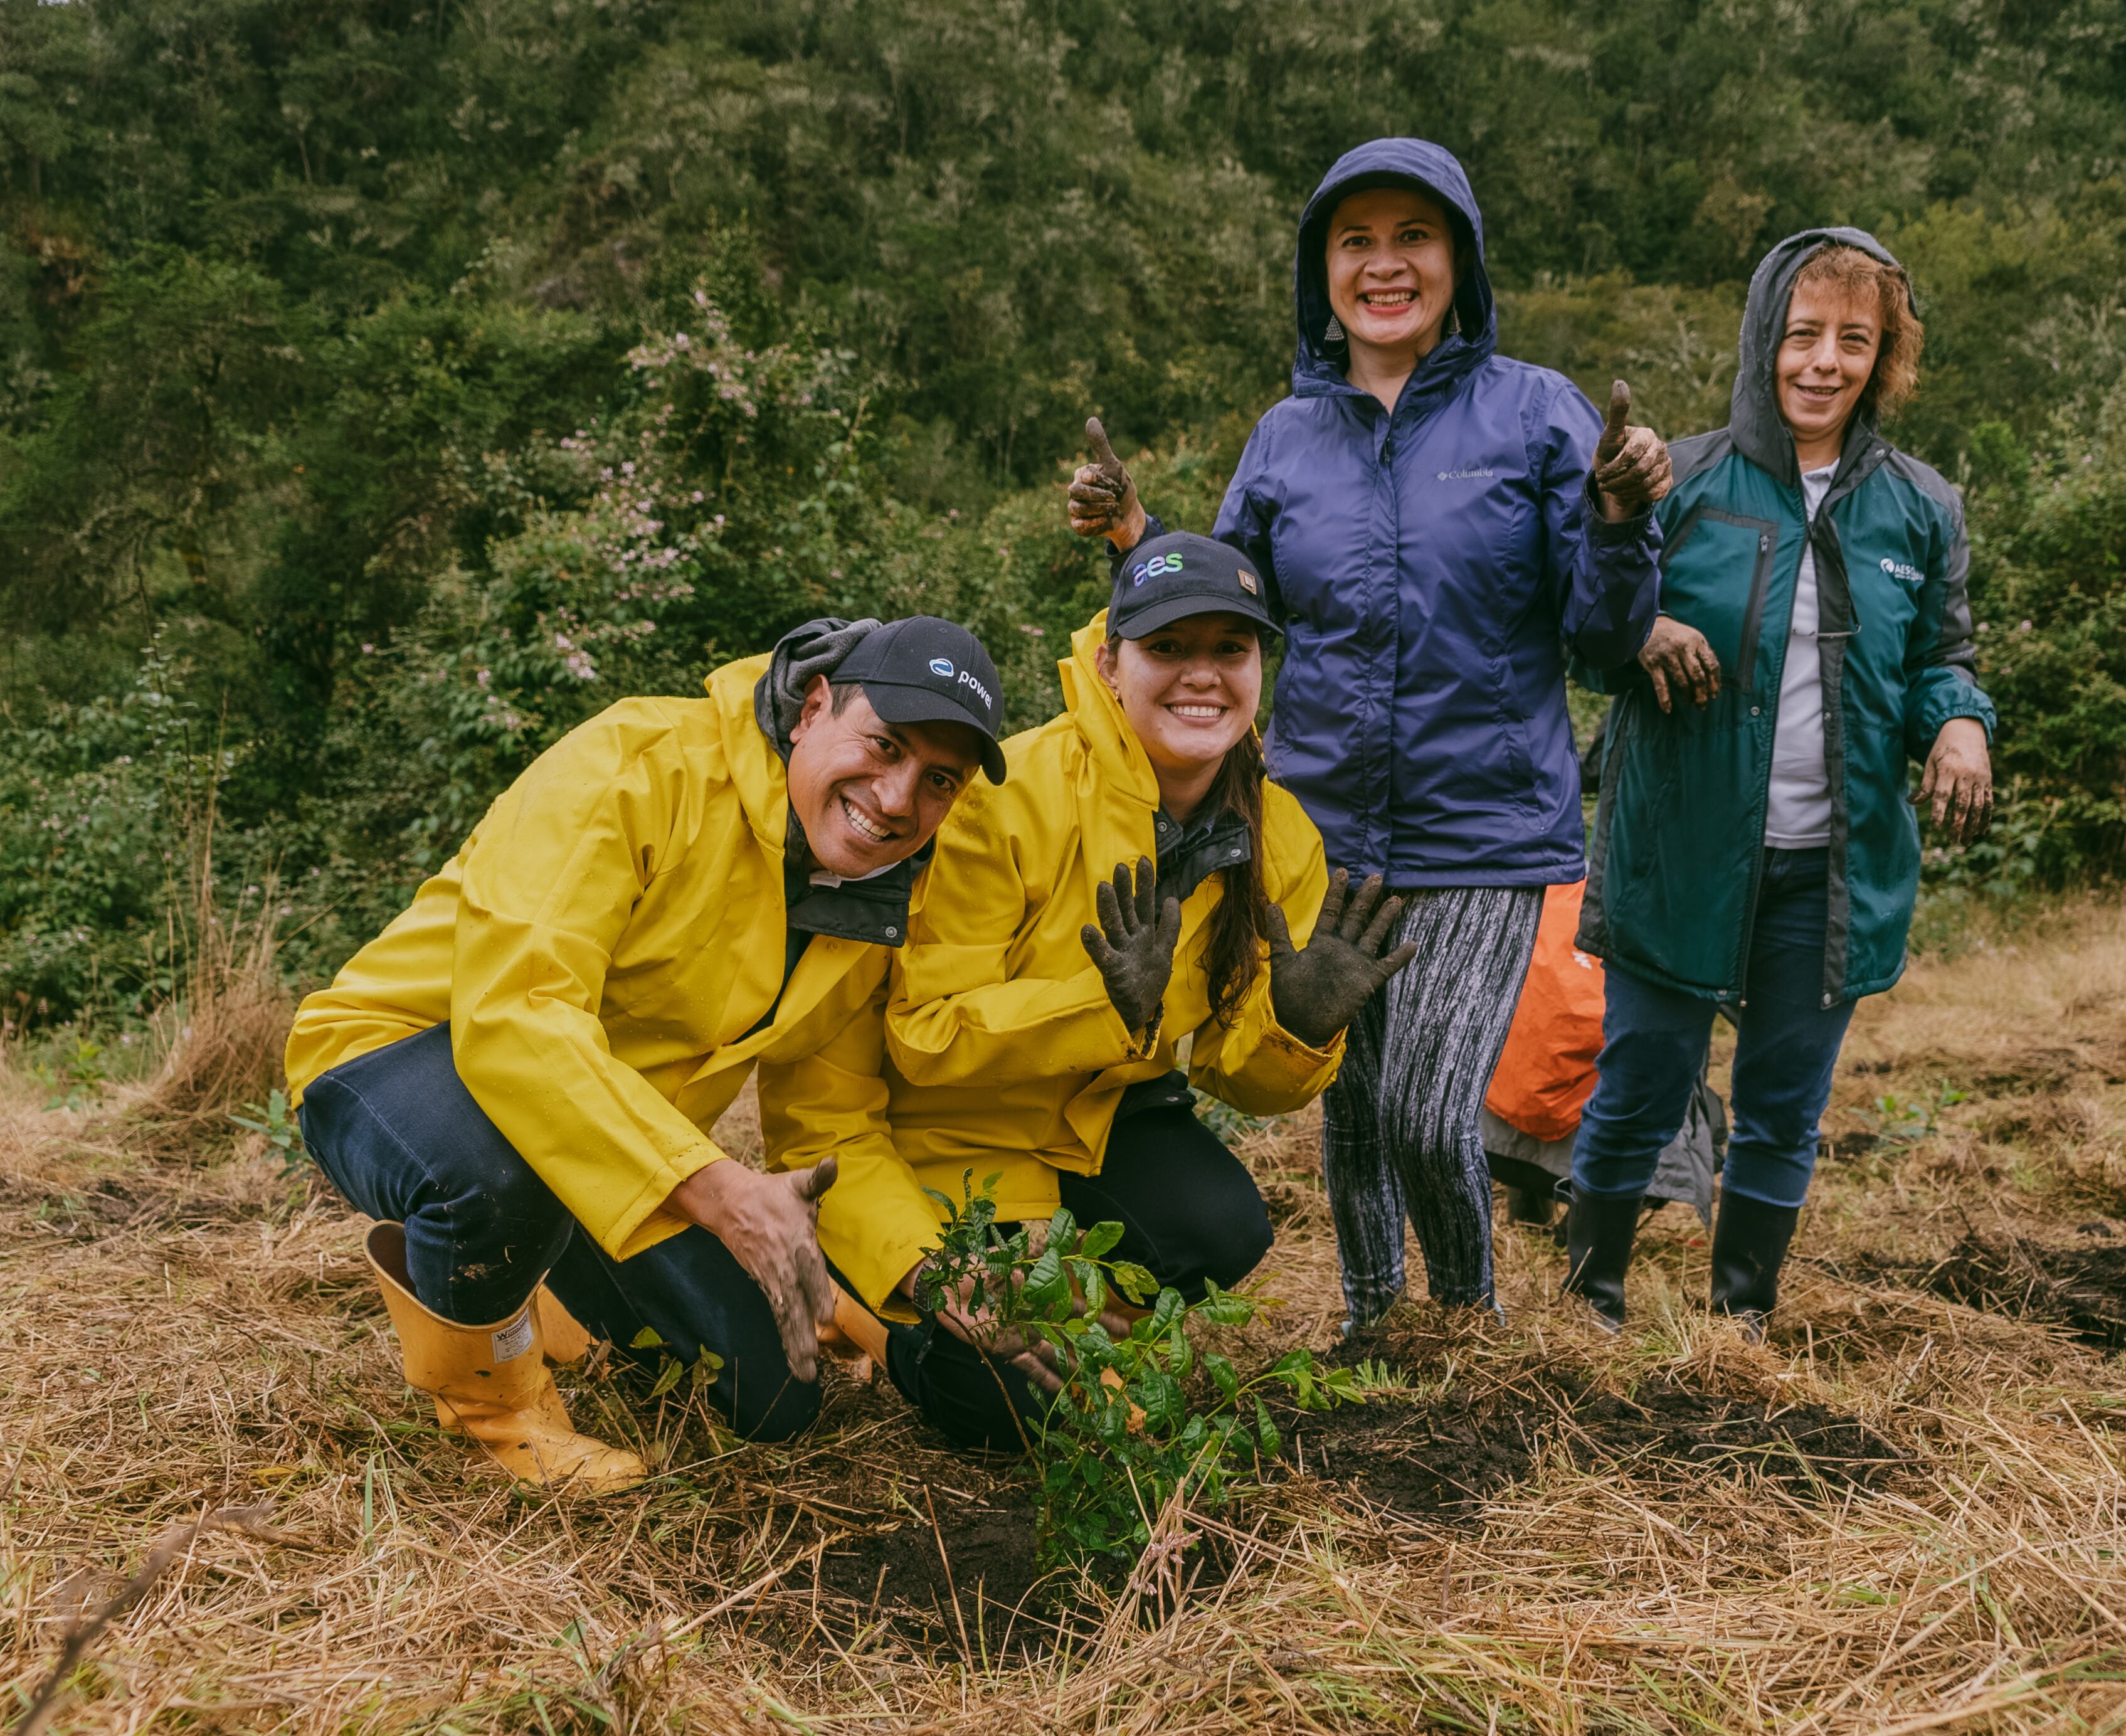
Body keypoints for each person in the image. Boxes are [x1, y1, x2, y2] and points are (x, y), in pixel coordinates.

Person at [1066, 137, 1671, 1330]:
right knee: (1352, 1099)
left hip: (1487, 835)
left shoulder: (1540, 413)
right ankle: (1370, 1322)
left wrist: (1615, 515)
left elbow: (1605, 638)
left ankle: (1463, 1331)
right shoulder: (1287, 436)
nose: (1385, 266)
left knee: (1429, 1114)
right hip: (1322, 828)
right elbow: (1233, 610)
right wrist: (1141, 540)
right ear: (1321, 271)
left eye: (1414, 238)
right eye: (1357, 242)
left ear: (1460, 260)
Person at [282, 616, 1006, 1488]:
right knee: (496, 1177)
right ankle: (492, 1408)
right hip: (401, 1055)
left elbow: (832, 1121)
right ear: (815, 708)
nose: (896, 801)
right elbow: (516, 1014)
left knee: (773, 1400)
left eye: (937, 781)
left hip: (609, 1145)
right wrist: (715, 1190)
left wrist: (930, 1276)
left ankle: (538, 1288)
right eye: (884, 746)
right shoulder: (639, 762)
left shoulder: (877, 894)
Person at [772, 535, 1415, 1447]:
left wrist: (1298, 1030)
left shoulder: (1279, 836)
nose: (1202, 676)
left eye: (1229, 650)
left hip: (1099, 1112)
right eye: (1169, 648)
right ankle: (867, 1311)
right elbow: (922, 1037)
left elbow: (1237, 1077)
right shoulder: (1008, 794)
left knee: (1222, 1224)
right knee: (1006, 1409)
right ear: (1112, 664)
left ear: (1260, 667)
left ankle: (1072, 1321)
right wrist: (1100, 1006)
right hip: (948, 1126)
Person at [1560, 228, 1997, 1334]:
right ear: (1765, 341)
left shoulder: (1921, 505)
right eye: (1804, 334)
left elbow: (1942, 656)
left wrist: (1959, 728)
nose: (1825, 361)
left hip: (1831, 866)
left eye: (1856, 340)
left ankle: (1741, 1314)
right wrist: (1645, 613)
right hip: (1682, 845)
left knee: (1783, 1103)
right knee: (1643, 1076)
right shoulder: (1687, 478)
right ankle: (1590, 1293)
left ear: (1883, 355)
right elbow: (1590, 633)